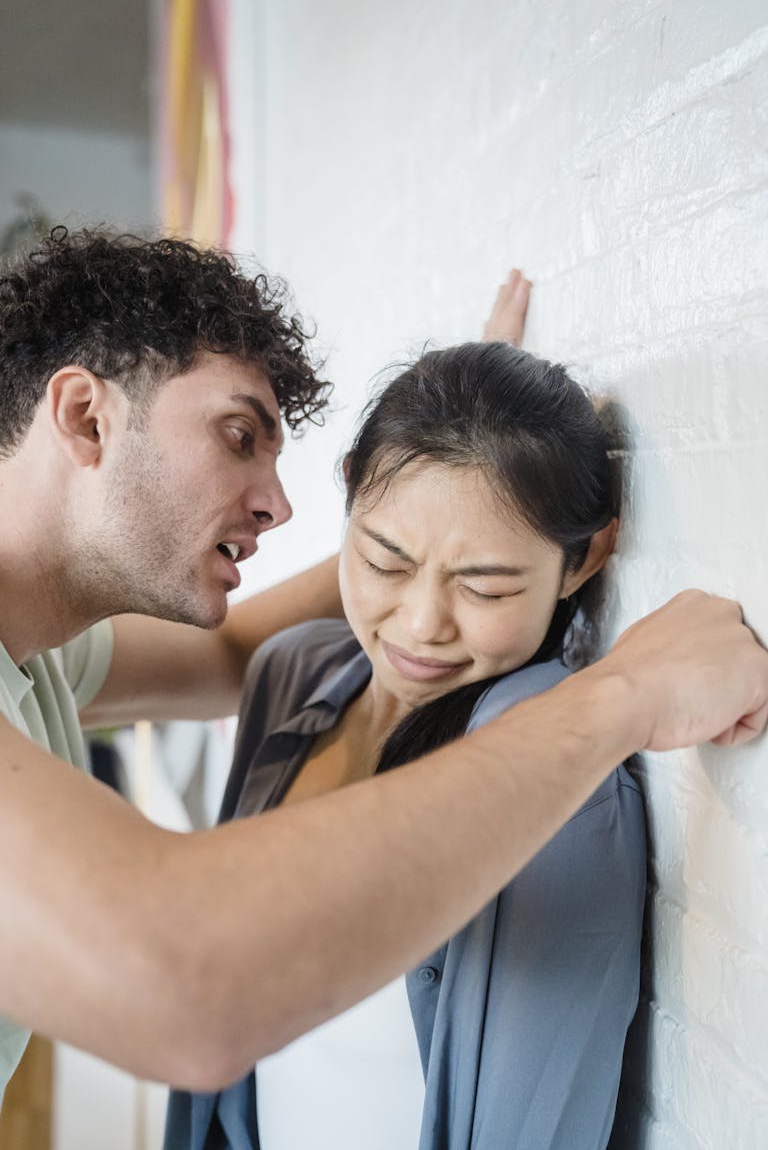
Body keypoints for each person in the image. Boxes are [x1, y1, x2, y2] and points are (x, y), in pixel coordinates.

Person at [0, 229, 765, 1119]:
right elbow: (185, 990)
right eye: (238, 433)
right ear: (86, 416)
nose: (279, 504)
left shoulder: (38, 646)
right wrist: (630, 692)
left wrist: (466, 476)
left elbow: (231, 655)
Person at [165, 338, 641, 1150]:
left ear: (585, 558)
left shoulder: (557, 769)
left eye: (485, 586)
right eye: (385, 560)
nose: (422, 625)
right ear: (349, 489)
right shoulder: (293, 671)